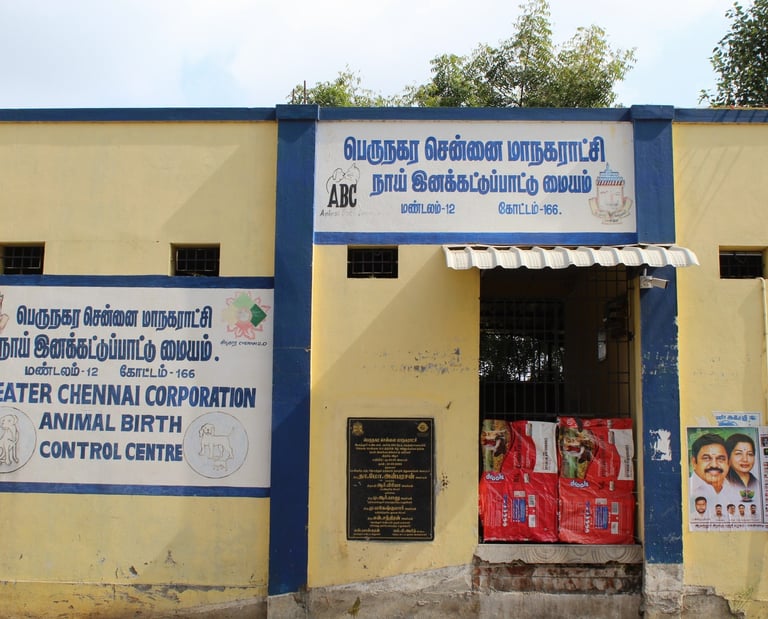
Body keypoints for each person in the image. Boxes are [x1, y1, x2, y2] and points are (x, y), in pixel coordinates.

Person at [689, 433, 739, 514]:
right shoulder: (686, 489)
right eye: (706, 458)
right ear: (694, 462)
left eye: (721, 459)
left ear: (729, 463)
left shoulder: (737, 489)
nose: (714, 464)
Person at [725, 433, 761, 507]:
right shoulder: (722, 481)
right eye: (738, 454)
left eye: (750, 454)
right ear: (727, 456)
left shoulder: (756, 482)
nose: (745, 459)